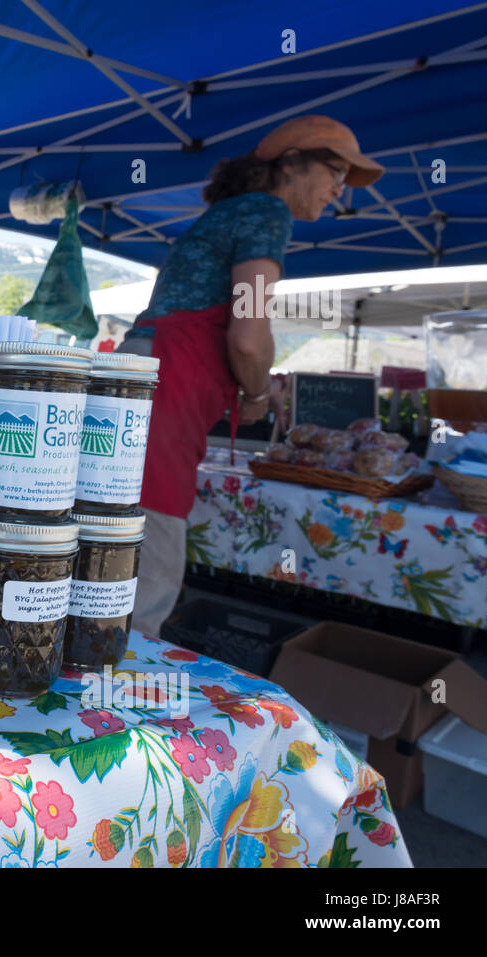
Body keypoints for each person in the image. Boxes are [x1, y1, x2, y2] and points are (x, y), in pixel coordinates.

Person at [116, 115, 383, 636]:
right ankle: (101, 706)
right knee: (145, 574)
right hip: (164, 388)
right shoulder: (266, 211)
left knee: (109, 539)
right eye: (335, 171)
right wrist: (259, 391)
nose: (339, 189)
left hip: (137, 378)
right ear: (291, 164)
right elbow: (248, 333)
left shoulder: (226, 215)